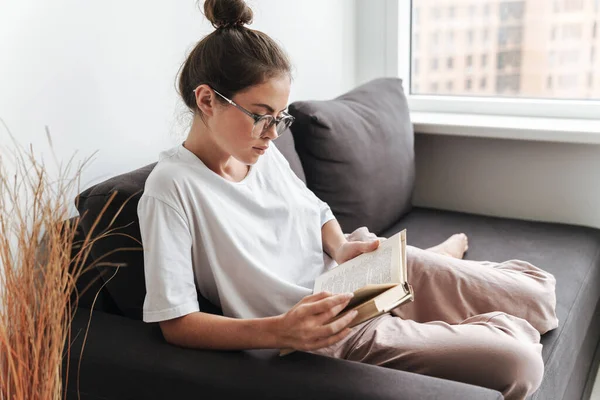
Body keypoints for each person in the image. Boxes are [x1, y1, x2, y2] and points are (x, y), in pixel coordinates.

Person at [137, 1, 558, 399]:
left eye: (279, 118)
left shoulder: (260, 154)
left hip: (359, 272)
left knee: (540, 299)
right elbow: (175, 322)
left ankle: (428, 275)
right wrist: (280, 331)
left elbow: (315, 210)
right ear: (207, 100)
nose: (272, 134)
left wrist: (340, 247)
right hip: (332, 327)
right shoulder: (171, 188)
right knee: (520, 364)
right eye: (261, 116)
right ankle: (443, 300)